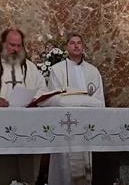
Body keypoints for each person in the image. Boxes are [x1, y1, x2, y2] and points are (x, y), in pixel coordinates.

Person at [0, 28, 46, 185]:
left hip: (27, 126)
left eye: (19, 46)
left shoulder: (30, 68)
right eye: (12, 45)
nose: (16, 49)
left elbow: (42, 89)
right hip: (0, 126)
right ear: (3, 44)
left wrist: (34, 99)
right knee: (5, 167)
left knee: (28, 167)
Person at [47, 34, 105, 185]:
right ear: (67, 47)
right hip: (64, 126)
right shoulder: (57, 70)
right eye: (72, 43)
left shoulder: (93, 71)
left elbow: (99, 100)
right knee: (63, 164)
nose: (76, 45)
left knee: (84, 161)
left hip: (86, 126)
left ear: (83, 47)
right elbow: (54, 99)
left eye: (79, 43)